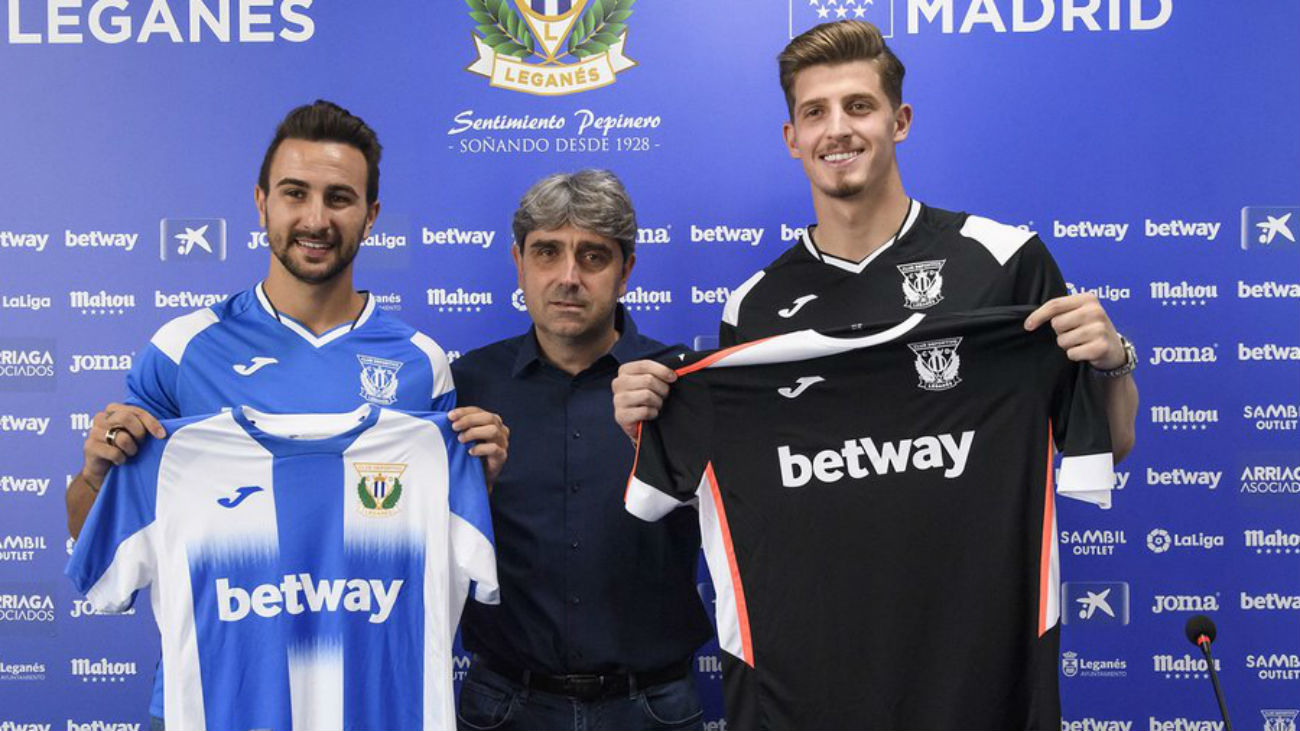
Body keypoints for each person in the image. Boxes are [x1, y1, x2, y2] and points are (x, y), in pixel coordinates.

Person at [64, 99, 508, 728]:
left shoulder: (419, 362)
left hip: (372, 704)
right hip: (219, 705)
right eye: (295, 193)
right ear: (261, 202)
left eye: (339, 198)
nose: (315, 218)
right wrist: (96, 479)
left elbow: (443, 548)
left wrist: (476, 482)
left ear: (371, 215)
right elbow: (100, 547)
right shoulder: (181, 348)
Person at [613, 19, 1137, 462]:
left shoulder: (1005, 259)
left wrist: (1113, 364)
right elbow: (739, 473)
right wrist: (652, 430)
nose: (837, 130)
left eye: (859, 106)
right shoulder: (752, 307)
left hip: (983, 585)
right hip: (822, 585)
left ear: (899, 122)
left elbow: (1106, 446)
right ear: (793, 138)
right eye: (815, 112)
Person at [451, 170, 711, 731]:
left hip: (653, 706)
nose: (568, 277)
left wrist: (663, 457)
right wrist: (477, 489)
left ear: (626, 272)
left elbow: (744, 523)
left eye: (593, 256)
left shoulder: (682, 385)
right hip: (503, 703)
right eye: (548, 252)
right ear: (518, 262)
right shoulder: (463, 386)